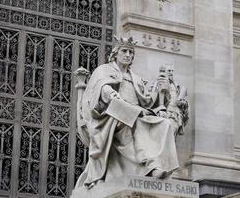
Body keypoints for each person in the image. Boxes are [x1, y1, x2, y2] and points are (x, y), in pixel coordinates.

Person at [75, 37, 180, 189]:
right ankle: (150, 165)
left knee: (164, 123)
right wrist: (111, 94)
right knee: (130, 119)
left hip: (136, 113)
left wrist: (159, 90)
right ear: (116, 53)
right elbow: (99, 88)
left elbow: (147, 101)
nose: (128, 55)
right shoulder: (104, 70)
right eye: (124, 51)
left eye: (131, 52)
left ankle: (159, 165)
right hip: (110, 116)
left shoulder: (135, 78)